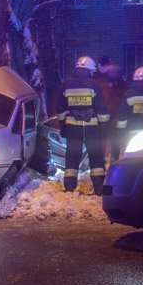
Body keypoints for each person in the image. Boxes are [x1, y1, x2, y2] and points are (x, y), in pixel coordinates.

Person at [59, 56, 110, 194]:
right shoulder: (94, 85)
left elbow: (61, 108)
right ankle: (99, 188)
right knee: (96, 155)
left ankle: (69, 187)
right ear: (89, 70)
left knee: (72, 155)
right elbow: (101, 109)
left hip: (72, 127)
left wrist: (62, 125)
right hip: (92, 127)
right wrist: (104, 126)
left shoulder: (66, 84)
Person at [115, 66, 143, 159]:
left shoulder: (129, 94)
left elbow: (122, 116)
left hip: (133, 133)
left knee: (133, 159)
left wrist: (121, 133)